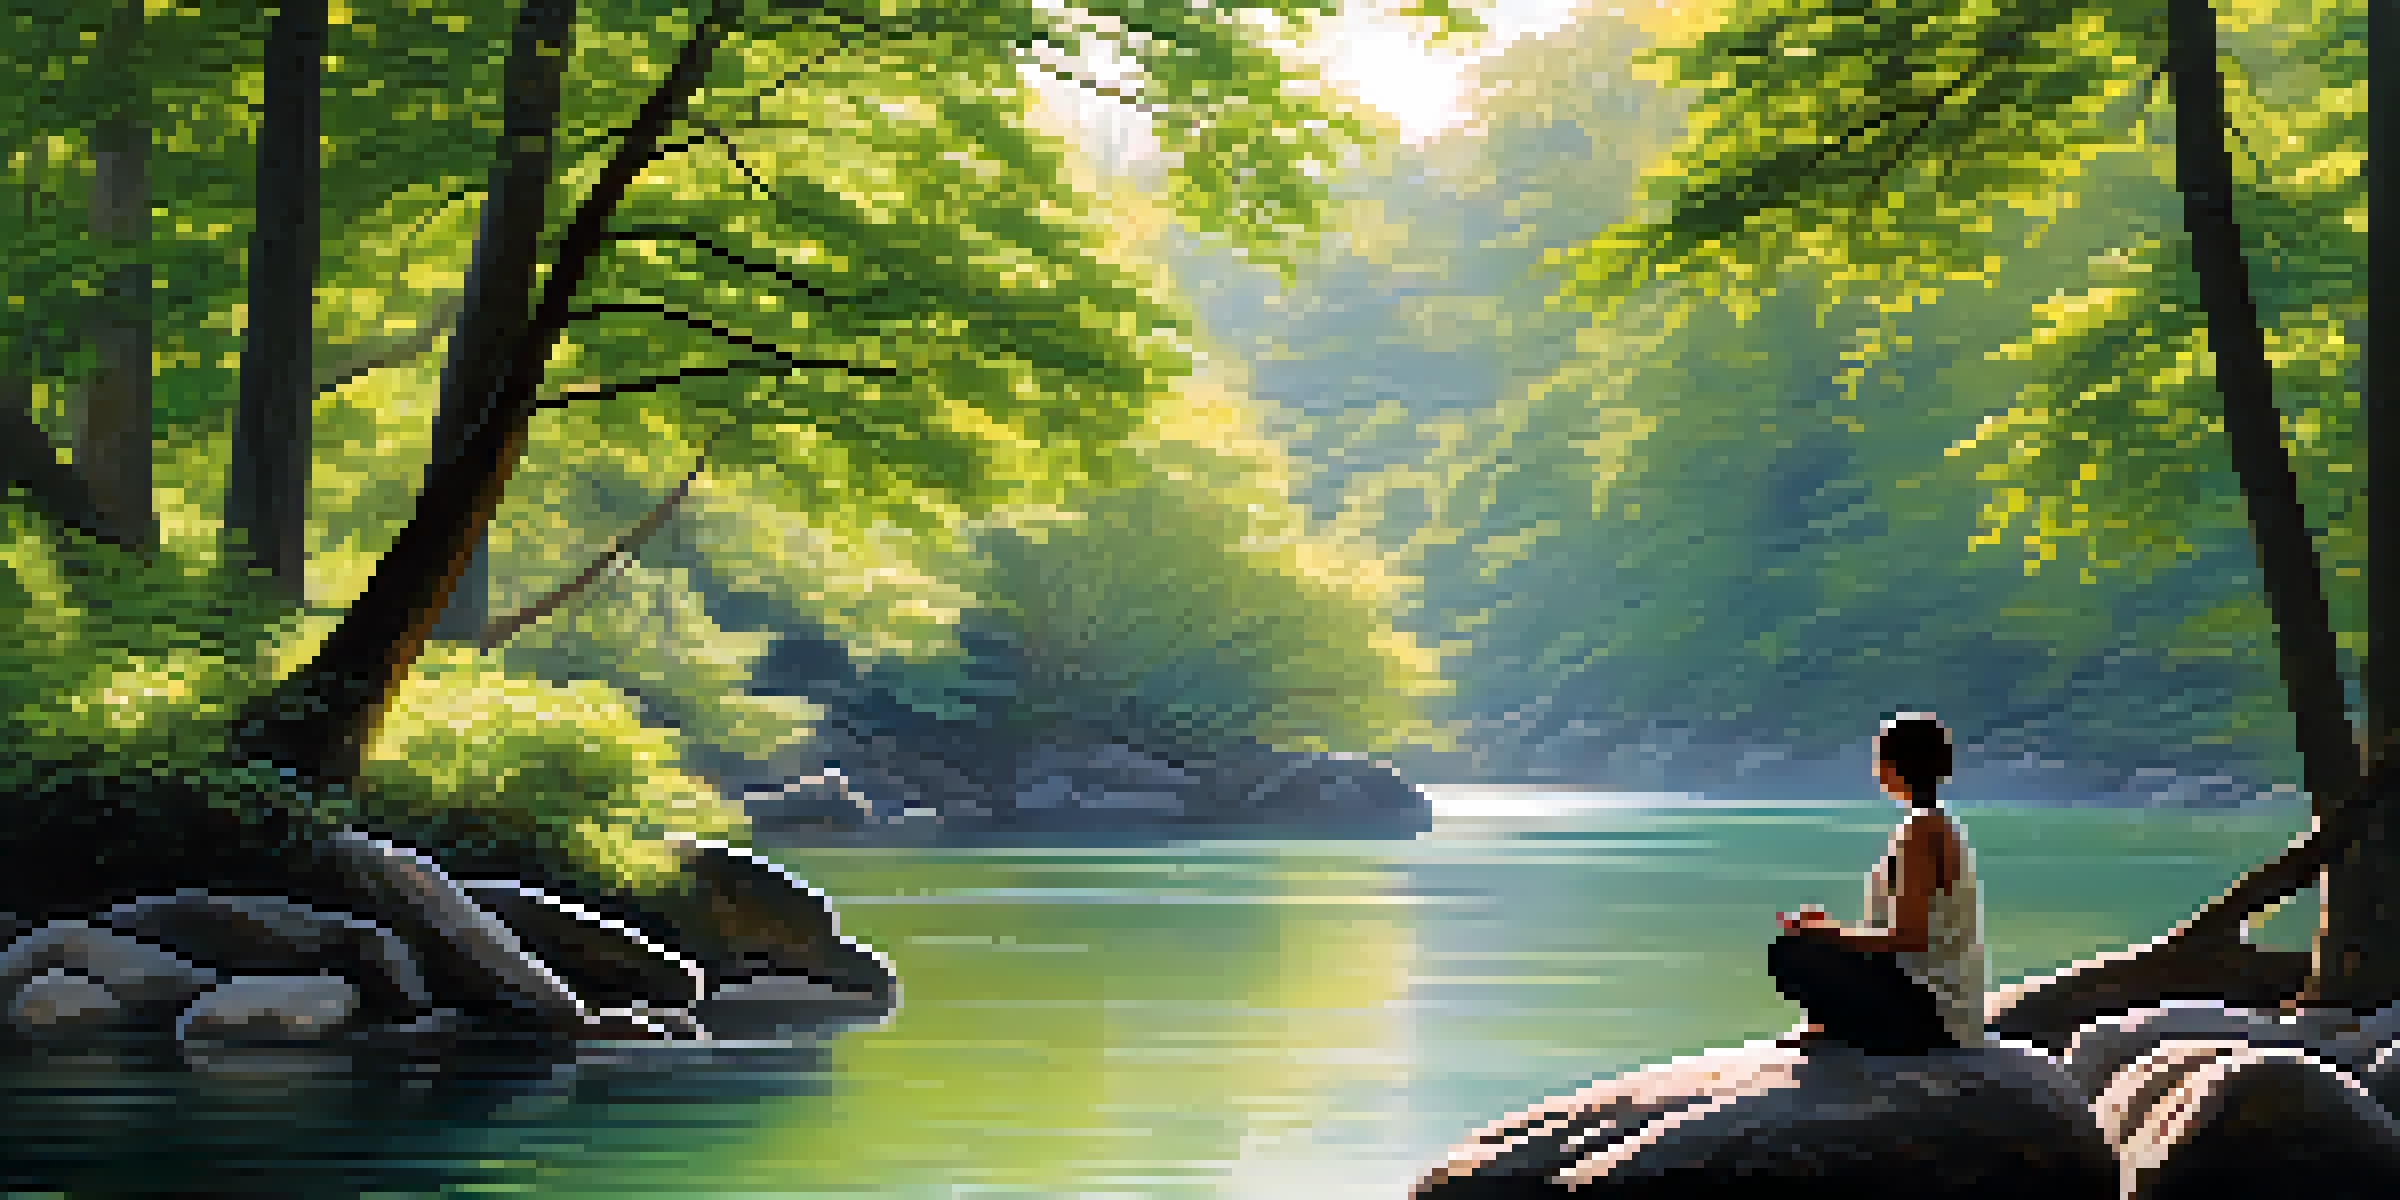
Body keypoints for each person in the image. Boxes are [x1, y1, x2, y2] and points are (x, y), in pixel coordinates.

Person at [1767, 711, 1989, 1054]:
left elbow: (1910, 939)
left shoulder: (1920, 832)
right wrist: (1830, 933)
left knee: (1792, 952)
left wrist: (1827, 932)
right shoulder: (1937, 825)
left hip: (1934, 1017)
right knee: (1815, 946)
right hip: (1941, 1007)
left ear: (1891, 767)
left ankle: (1852, 1030)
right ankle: (1831, 1025)